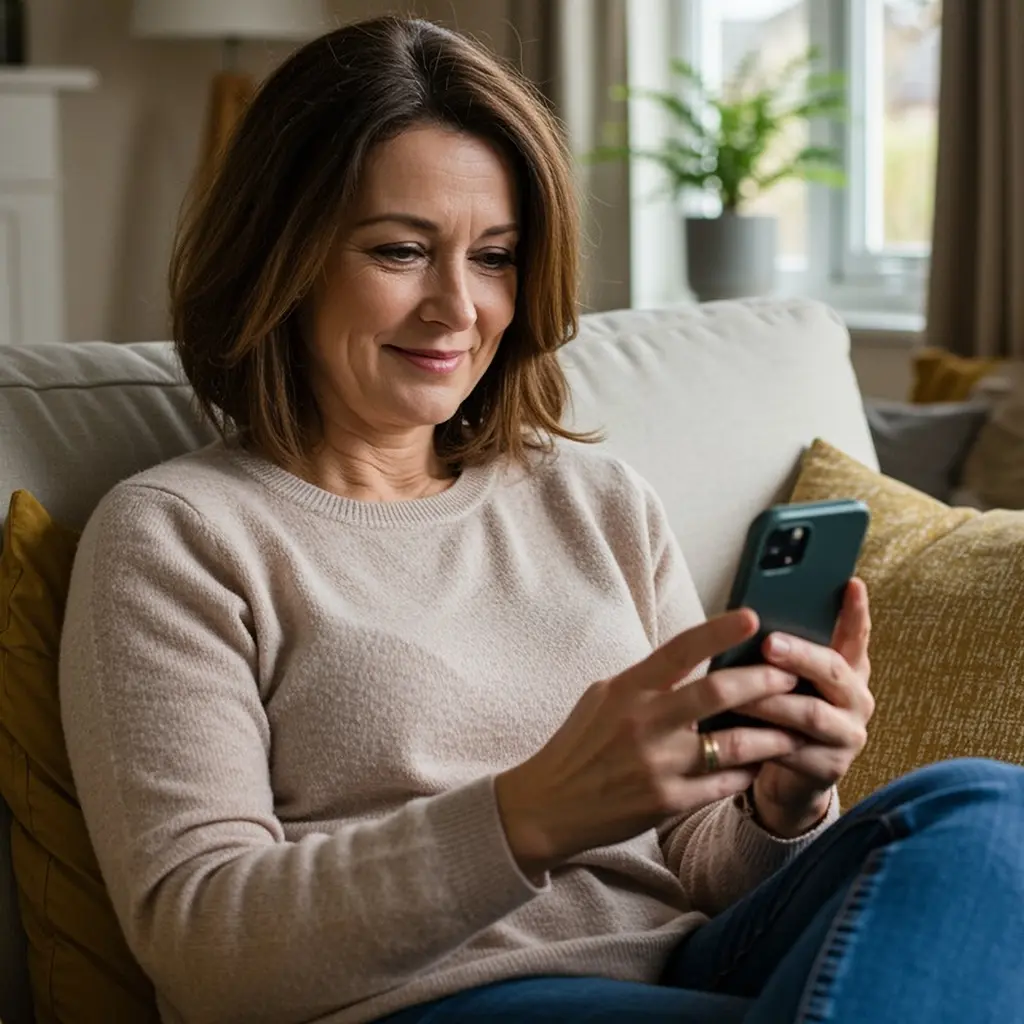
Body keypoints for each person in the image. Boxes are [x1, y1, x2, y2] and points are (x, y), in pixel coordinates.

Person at [58, 15, 1024, 1024]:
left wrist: (780, 801)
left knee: (983, 812)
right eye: (399, 250)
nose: (456, 308)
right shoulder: (178, 536)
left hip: (681, 964)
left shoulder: (590, 498)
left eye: (494, 257)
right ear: (280, 257)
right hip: (434, 998)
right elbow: (204, 949)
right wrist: (526, 816)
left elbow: (696, 860)